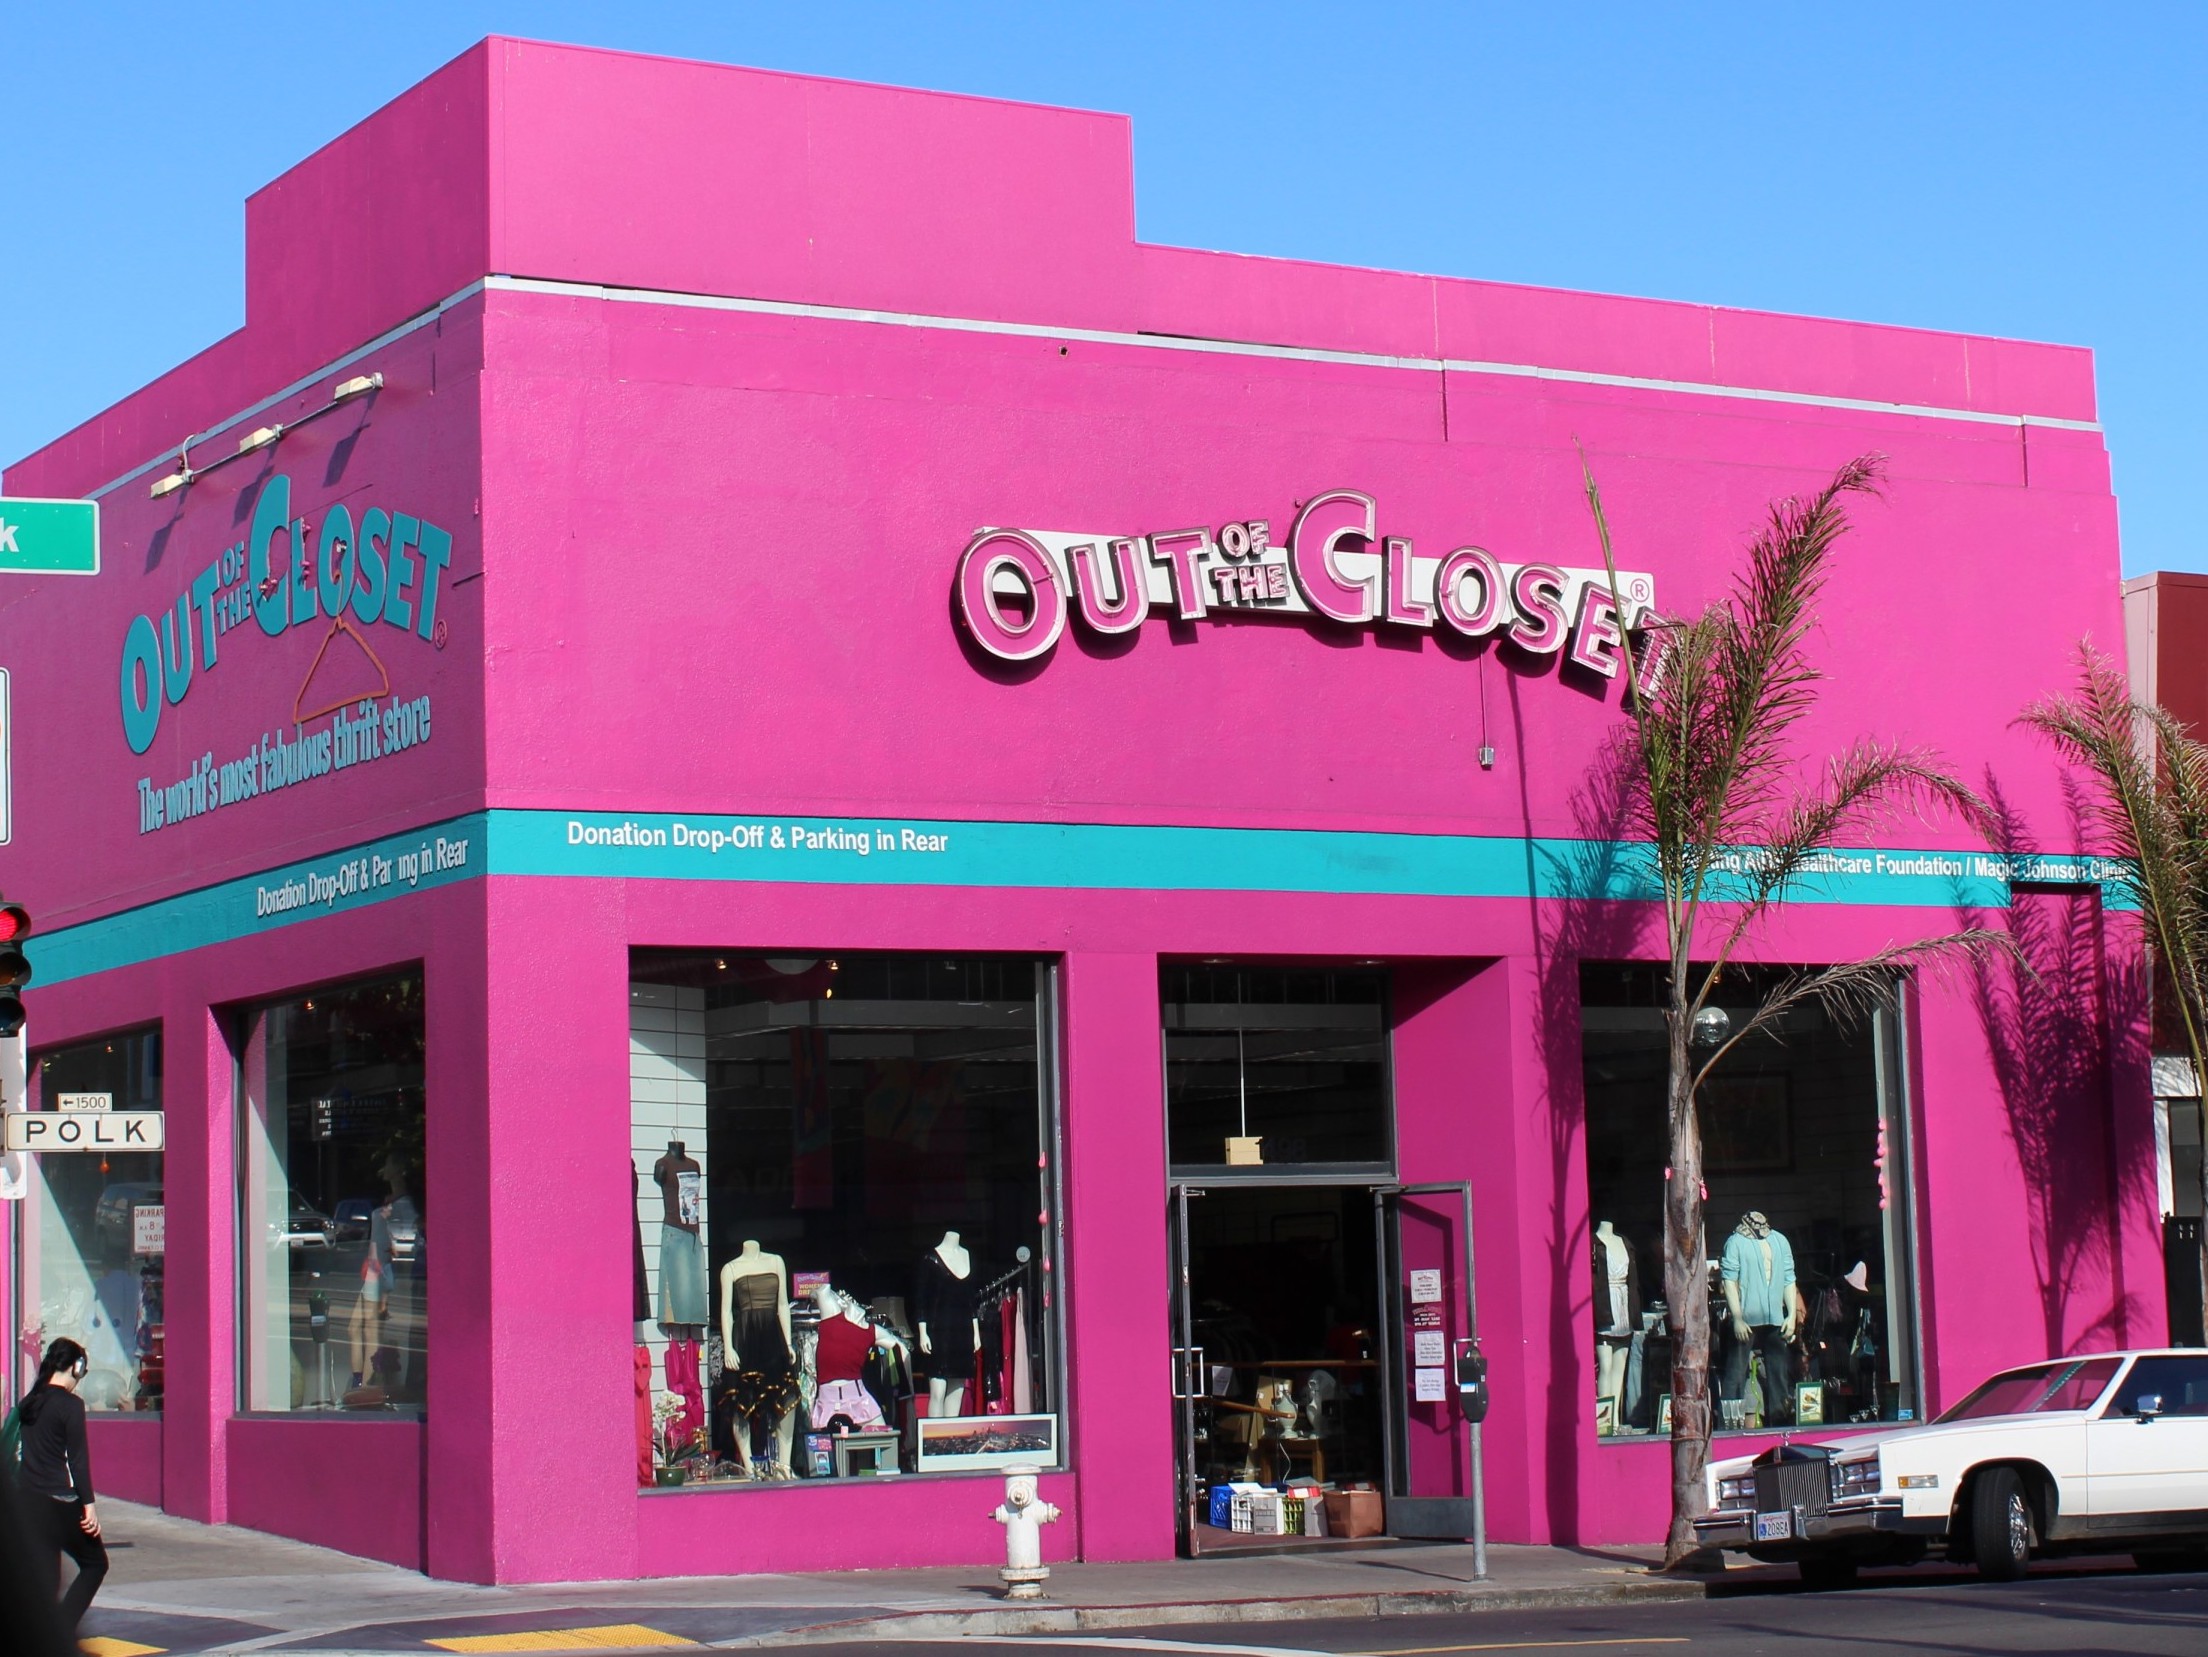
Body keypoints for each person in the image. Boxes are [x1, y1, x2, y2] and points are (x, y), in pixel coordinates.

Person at [16, 1336, 109, 1633]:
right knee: (95, 1564)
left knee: (47, 1578)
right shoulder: (71, 1405)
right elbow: (78, 1461)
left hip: (29, 1501)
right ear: (75, 1367)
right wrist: (89, 1506)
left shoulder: (28, 1402)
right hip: (58, 1502)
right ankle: (60, 1631)